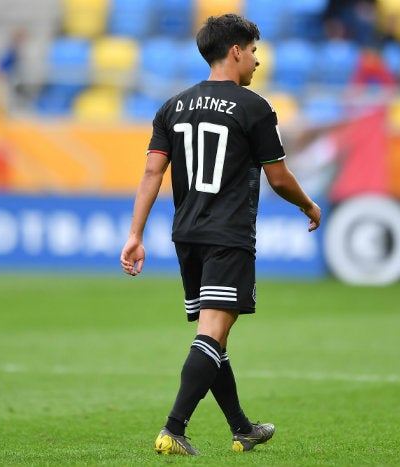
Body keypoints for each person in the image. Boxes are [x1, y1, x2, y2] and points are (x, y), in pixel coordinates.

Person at [120, 14, 322, 456]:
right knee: (212, 332)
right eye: (253, 51)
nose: (256, 61)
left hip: (186, 234)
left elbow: (152, 172)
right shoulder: (255, 107)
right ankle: (174, 429)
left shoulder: (171, 106)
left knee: (217, 335)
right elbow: (280, 177)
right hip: (228, 233)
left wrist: (135, 233)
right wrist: (309, 205)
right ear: (235, 51)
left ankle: (242, 428)